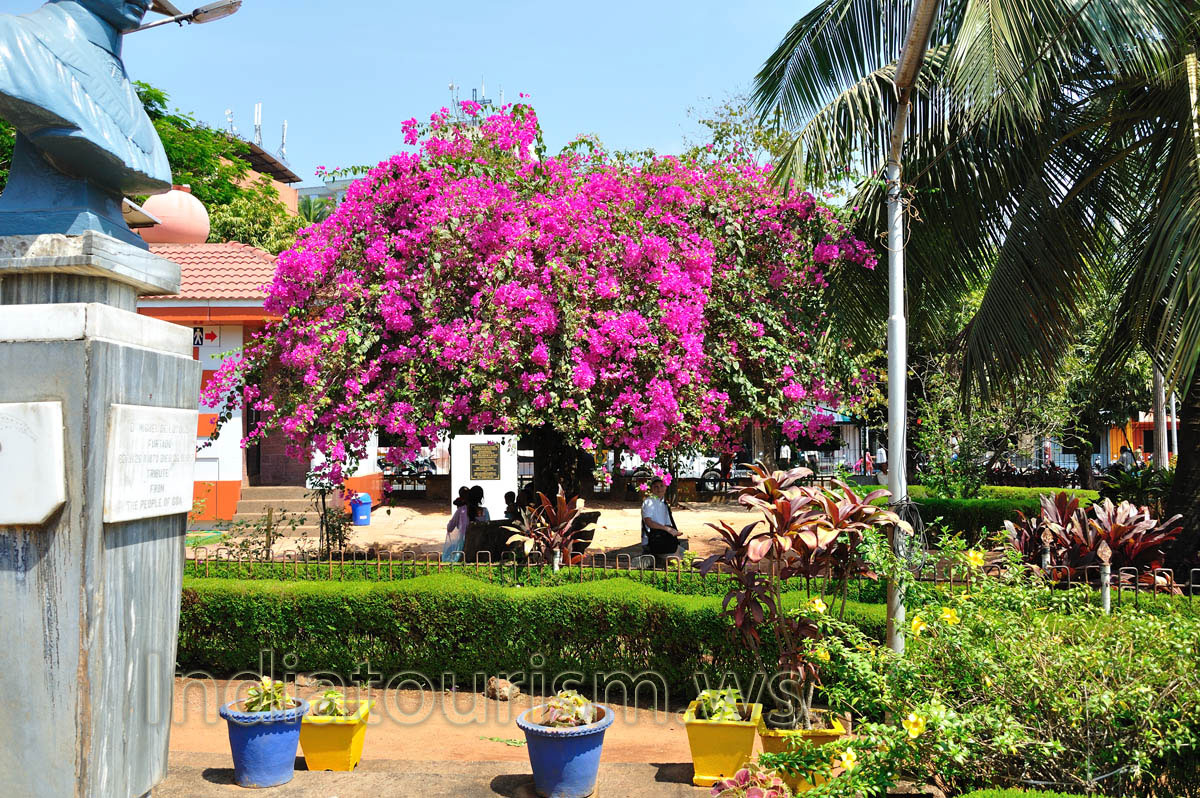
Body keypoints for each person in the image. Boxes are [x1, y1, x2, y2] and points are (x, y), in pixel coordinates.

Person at [641, 477, 686, 557]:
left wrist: (672, 531)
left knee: (688, 557)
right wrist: (668, 529)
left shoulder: (663, 503)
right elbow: (649, 522)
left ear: (666, 487)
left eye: (661, 486)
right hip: (653, 540)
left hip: (663, 538)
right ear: (652, 489)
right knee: (677, 559)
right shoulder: (649, 502)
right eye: (656, 487)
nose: (659, 489)